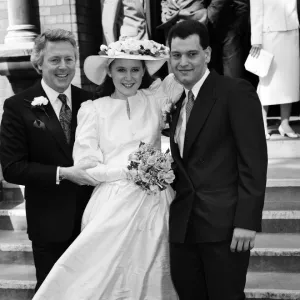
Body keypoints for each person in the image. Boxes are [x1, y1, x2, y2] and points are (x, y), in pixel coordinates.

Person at [31, 38, 183, 299]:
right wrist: (129, 171)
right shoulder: (93, 109)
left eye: (136, 69)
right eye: (121, 69)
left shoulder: (155, 98)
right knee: (103, 279)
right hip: (112, 204)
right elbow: (86, 167)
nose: (129, 77)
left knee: (156, 274)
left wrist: (155, 50)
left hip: (157, 204)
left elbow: (184, 71)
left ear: (144, 72)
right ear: (109, 71)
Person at [167, 20, 268, 300]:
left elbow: (254, 161)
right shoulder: (176, 105)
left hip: (225, 229)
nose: (183, 62)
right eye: (176, 55)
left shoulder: (235, 92)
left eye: (192, 54)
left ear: (208, 54)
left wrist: (247, 220)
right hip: (183, 230)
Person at [0, 29, 97, 292]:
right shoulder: (17, 106)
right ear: (39, 63)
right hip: (49, 224)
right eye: (55, 60)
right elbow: (12, 168)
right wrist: (63, 173)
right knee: (53, 292)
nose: (63, 66)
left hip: (93, 221)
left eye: (69, 59)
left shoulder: (92, 101)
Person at [250, 0, 300, 139]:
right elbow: (256, 7)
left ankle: (285, 123)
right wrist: (256, 39)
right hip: (269, 33)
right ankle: (261, 124)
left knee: (289, 80)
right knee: (267, 81)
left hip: (291, 30)